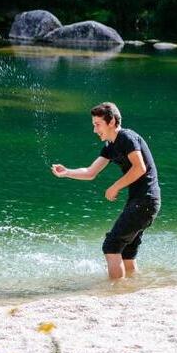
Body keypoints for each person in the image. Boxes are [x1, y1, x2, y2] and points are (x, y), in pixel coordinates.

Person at [51, 102, 160, 279]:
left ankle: (116, 292)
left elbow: (140, 168)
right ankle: (131, 288)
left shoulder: (127, 137)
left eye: (97, 124)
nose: (95, 130)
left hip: (145, 201)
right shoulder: (110, 146)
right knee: (126, 252)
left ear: (111, 122)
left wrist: (115, 186)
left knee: (111, 246)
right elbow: (90, 172)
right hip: (142, 202)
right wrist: (67, 172)